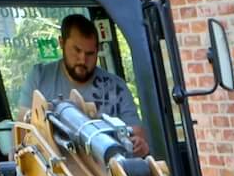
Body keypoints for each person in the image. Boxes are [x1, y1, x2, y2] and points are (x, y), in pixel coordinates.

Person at [18, 13, 148, 158]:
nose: (83, 59)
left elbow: (137, 134)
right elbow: (22, 132)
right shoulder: (40, 78)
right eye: (77, 50)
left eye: (90, 53)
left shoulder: (115, 88)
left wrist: (138, 146)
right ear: (61, 43)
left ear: (98, 50)